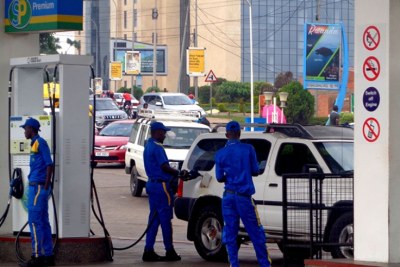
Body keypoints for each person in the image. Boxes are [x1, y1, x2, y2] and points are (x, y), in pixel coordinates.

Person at [215, 121, 271, 267]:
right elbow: (255, 171)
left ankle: (234, 264)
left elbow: (220, 177)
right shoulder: (248, 149)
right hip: (244, 197)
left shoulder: (220, 153)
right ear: (239, 134)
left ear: (227, 135)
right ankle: (264, 264)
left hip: (228, 197)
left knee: (230, 233)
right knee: (256, 233)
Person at [142, 121, 188, 262]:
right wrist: (179, 173)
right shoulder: (157, 148)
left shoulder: (148, 146)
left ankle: (148, 250)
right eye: (163, 132)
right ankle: (170, 251)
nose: (165, 135)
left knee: (154, 219)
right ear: (157, 132)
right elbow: (164, 166)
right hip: (161, 186)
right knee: (165, 220)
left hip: (151, 184)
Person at [20, 118, 55, 267]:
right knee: (43, 222)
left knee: (34, 222)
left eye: (25, 129)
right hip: (37, 187)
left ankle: (37, 257)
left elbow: (49, 164)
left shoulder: (40, 142)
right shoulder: (35, 144)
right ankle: (48, 256)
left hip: (38, 188)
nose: (24, 131)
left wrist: (45, 185)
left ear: (31, 129)